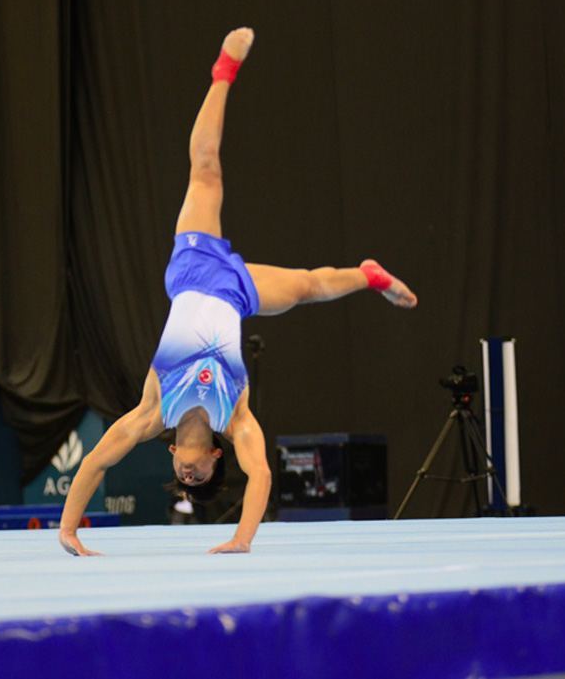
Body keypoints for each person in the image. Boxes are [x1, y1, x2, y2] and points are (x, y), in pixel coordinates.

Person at [58, 28, 417, 556]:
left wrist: (67, 530)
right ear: (213, 461)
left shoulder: (153, 412)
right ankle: (370, 276)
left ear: (176, 452)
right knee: (312, 286)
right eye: (199, 478)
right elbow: (262, 476)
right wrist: (242, 539)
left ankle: (223, 73)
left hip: (192, 271)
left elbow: (94, 461)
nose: (190, 473)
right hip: (236, 294)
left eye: (185, 476)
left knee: (205, 172)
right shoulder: (236, 417)